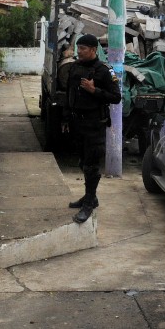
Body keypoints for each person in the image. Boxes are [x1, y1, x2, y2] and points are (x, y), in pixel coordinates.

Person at [66, 33, 122, 224]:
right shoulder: (75, 67)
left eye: (83, 49)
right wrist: (67, 117)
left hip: (94, 124)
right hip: (77, 123)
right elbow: (69, 94)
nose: (79, 52)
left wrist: (94, 90)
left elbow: (116, 97)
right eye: (78, 48)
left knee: (91, 165)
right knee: (82, 162)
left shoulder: (106, 70)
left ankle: (89, 203)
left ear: (93, 50)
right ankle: (90, 196)